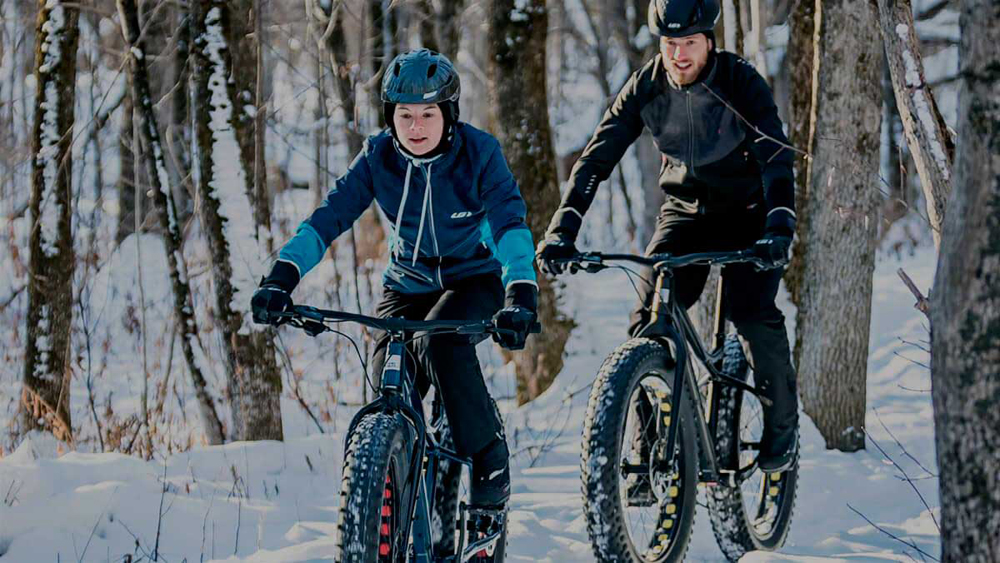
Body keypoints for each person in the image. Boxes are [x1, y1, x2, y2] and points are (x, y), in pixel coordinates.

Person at [251, 49, 538, 507]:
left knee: (442, 344)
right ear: (391, 117)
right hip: (406, 285)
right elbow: (328, 219)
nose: (416, 127)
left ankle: (489, 454)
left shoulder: (479, 154)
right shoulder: (378, 156)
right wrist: (281, 277)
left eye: (428, 114)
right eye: (404, 115)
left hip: (473, 280)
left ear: (448, 114)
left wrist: (520, 290)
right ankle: (388, 499)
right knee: (390, 378)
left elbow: (509, 225)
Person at [536, 0, 798, 475]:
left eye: (689, 44)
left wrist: (780, 222)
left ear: (709, 41)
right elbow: (596, 159)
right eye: (670, 43)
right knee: (650, 317)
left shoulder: (740, 81)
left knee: (751, 312)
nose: (678, 55)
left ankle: (783, 425)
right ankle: (650, 445)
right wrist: (563, 228)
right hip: (685, 213)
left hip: (750, 214)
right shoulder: (646, 85)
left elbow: (776, 157)